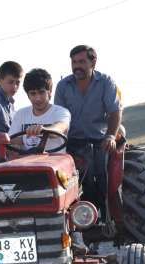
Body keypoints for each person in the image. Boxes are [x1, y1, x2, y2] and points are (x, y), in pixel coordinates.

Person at [54, 45, 123, 248]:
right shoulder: (63, 86)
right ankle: (74, 226)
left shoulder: (106, 82)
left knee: (104, 177)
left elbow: (114, 112)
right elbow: (59, 116)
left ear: (93, 62)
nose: (77, 66)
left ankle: (112, 218)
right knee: (67, 182)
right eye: (74, 62)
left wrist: (110, 135)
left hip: (100, 140)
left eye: (82, 62)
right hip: (73, 142)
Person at [8, 68, 70, 152]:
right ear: (28, 95)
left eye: (41, 92)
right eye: (33, 93)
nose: (38, 98)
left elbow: (61, 127)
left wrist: (44, 130)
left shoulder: (61, 112)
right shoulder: (20, 114)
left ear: (49, 92)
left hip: (53, 162)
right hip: (27, 162)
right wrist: (27, 138)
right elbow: (11, 140)